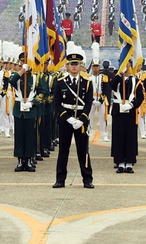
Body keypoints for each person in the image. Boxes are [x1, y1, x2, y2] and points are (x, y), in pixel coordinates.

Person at [51, 44, 95, 189]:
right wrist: (68, 118)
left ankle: (87, 179)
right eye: (71, 64)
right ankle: (60, 179)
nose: (74, 67)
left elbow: (89, 103)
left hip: (81, 120)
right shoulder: (60, 82)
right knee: (63, 150)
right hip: (66, 120)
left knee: (83, 151)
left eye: (76, 64)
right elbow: (56, 103)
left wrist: (82, 119)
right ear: (67, 66)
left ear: (80, 65)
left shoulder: (87, 82)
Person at [109, 59, 144, 174]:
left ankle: (129, 162)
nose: (126, 65)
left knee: (130, 136)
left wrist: (131, 105)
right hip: (118, 111)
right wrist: (120, 74)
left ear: (130, 64)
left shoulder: (136, 80)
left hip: (130, 111)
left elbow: (140, 97)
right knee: (118, 136)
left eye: (127, 63)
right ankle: (119, 162)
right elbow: (112, 86)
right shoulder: (117, 78)